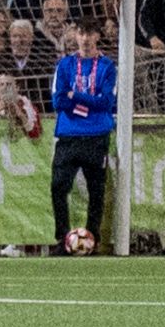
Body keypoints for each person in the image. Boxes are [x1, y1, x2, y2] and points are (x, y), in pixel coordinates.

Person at [49, 26, 117, 253]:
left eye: (90, 33)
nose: (86, 38)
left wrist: (74, 95)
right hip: (68, 134)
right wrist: (88, 102)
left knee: (96, 191)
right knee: (58, 185)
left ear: (97, 36)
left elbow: (107, 102)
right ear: (75, 36)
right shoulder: (65, 65)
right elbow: (58, 101)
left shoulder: (107, 66)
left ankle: (93, 239)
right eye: (82, 33)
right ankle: (62, 238)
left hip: (96, 135)